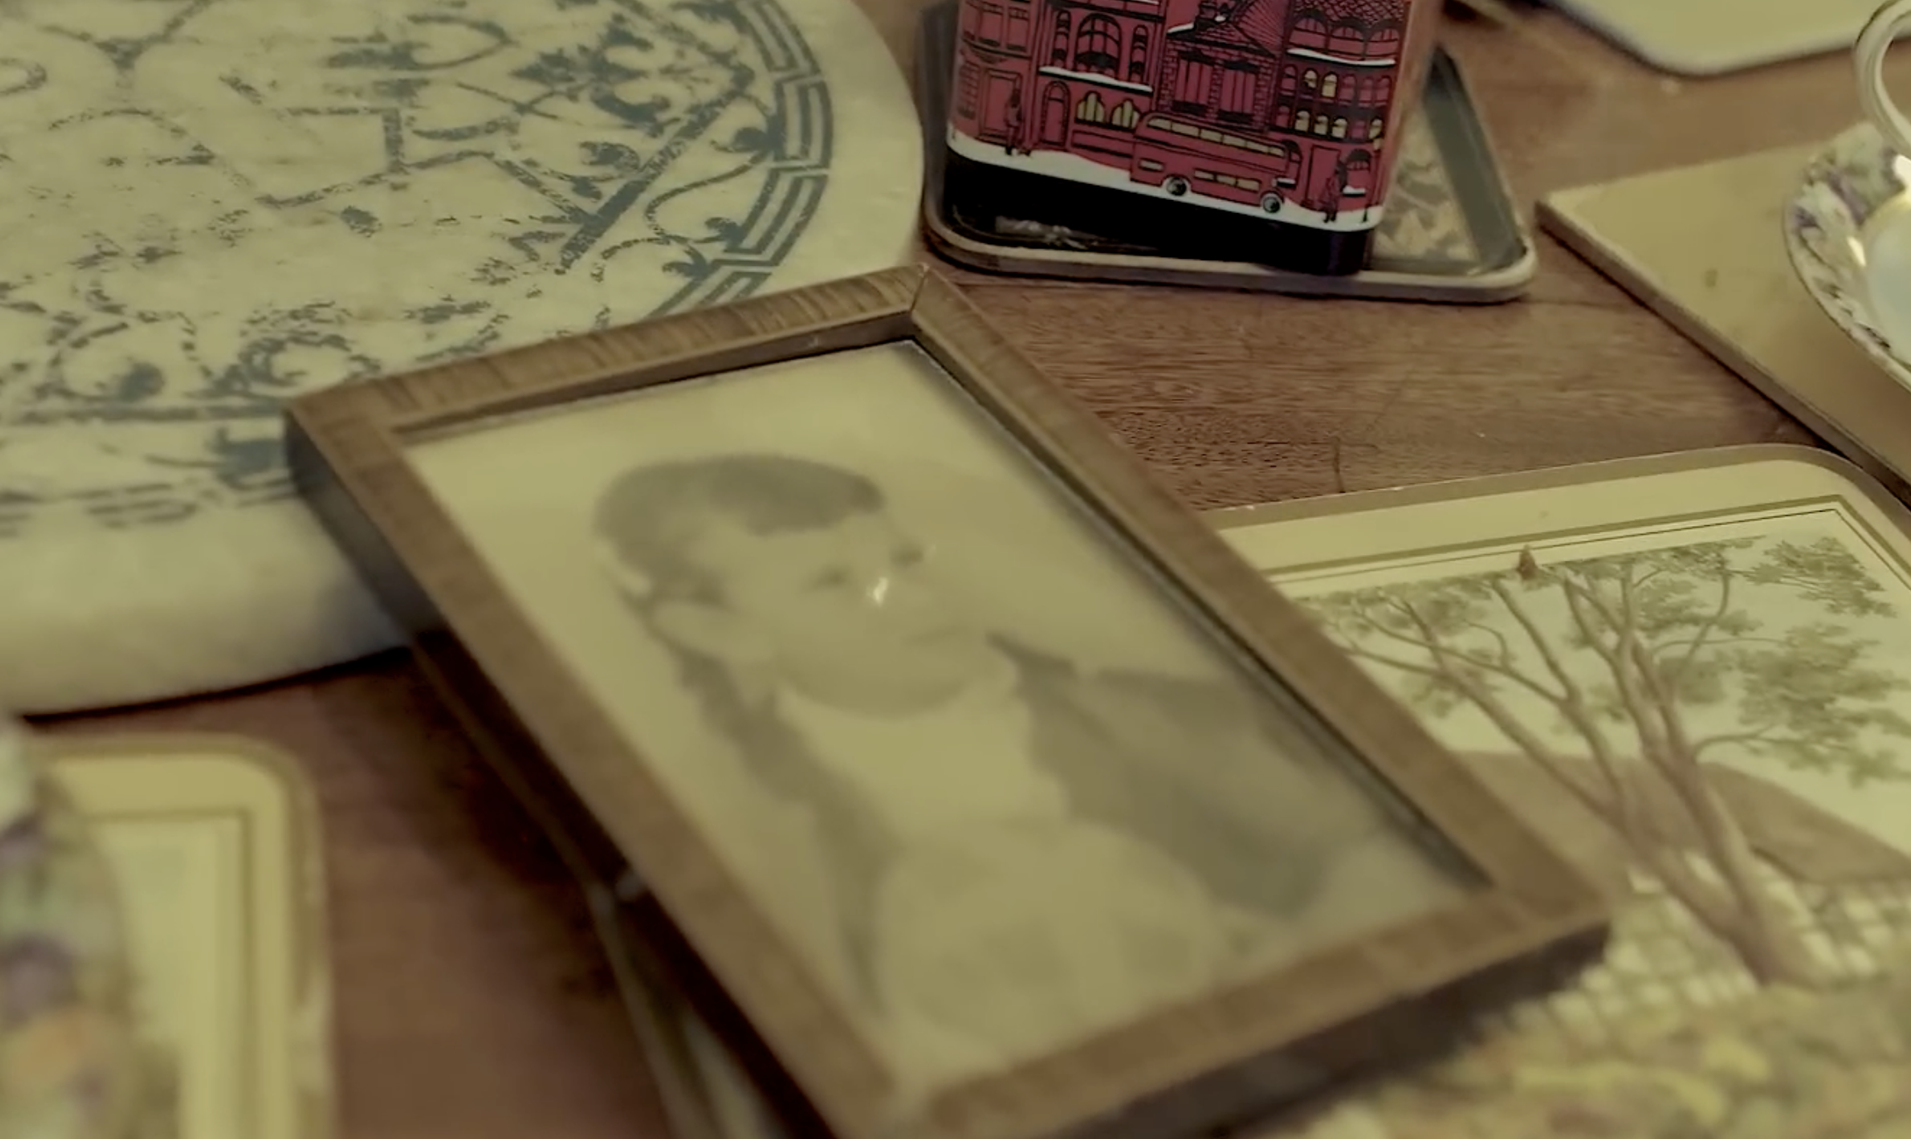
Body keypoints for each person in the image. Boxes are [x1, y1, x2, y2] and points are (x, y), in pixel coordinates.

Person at [591, 452, 1452, 1080]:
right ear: (712, 631)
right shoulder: (739, 806)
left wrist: (1278, 979)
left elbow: (1378, 857)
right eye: (828, 583)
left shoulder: (1133, 716)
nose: (910, 597)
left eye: (902, 561)